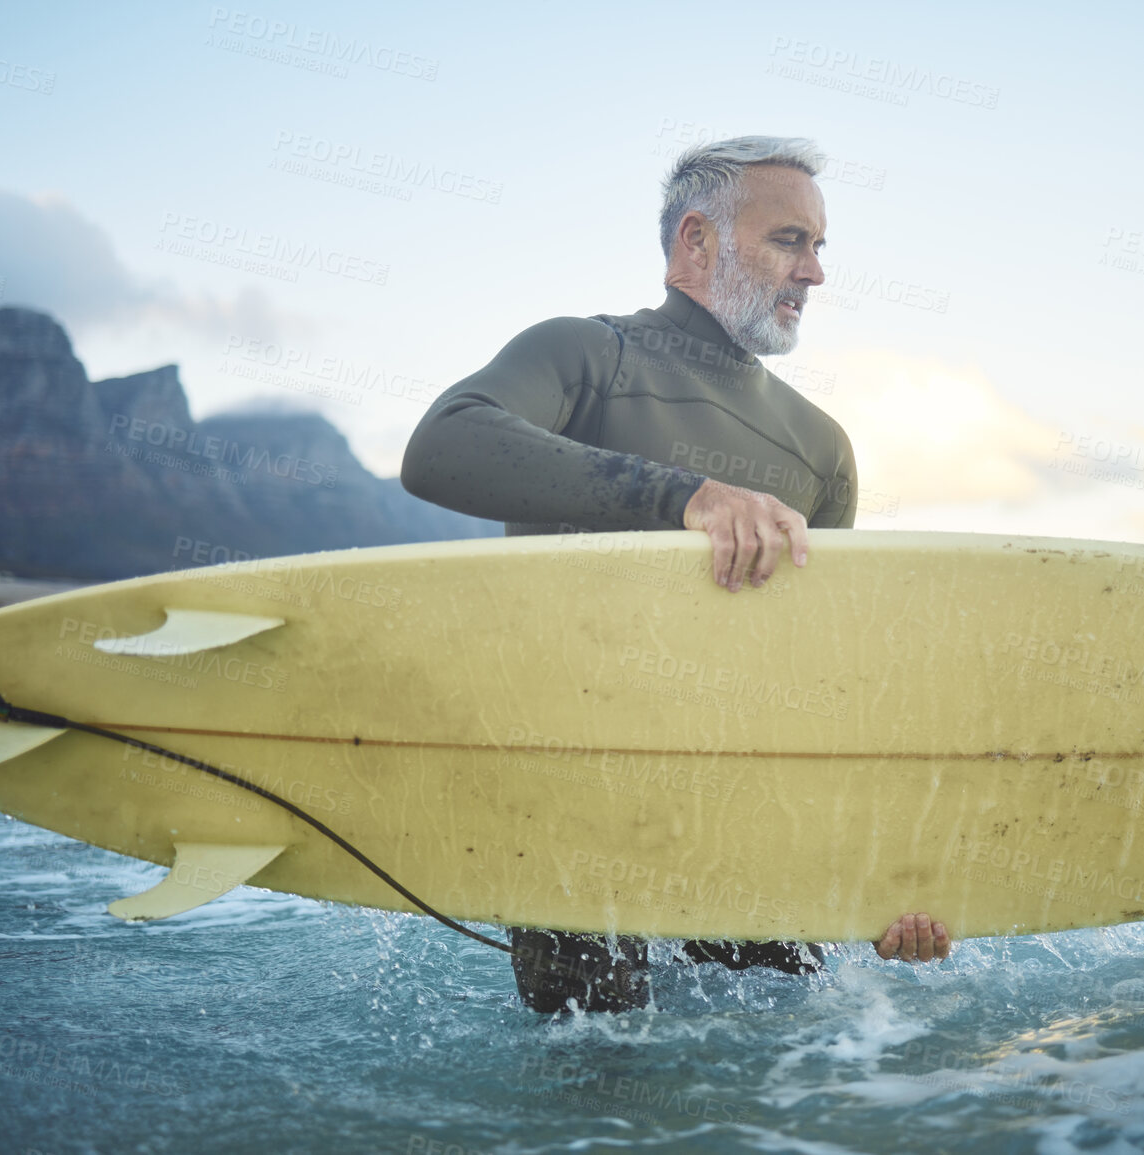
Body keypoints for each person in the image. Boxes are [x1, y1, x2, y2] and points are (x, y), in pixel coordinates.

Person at [402, 136, 949, 1012]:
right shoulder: (586, 356)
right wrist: (683, 495)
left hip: (750, 821)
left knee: (777, 1077)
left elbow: (828, 687)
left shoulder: (819, 447)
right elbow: (442, 446)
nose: (813, 272)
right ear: (695, 240)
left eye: (818, 247)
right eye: (788, 240)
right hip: (572, 807)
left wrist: (881, 882)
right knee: (602, 1092)